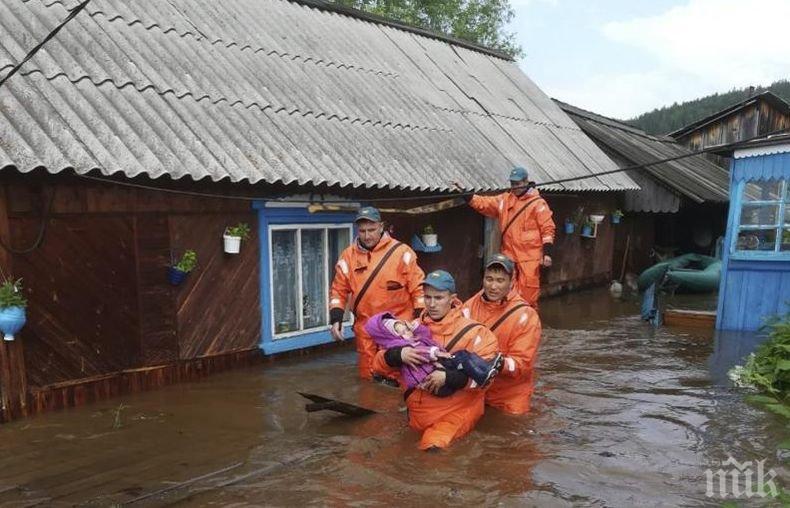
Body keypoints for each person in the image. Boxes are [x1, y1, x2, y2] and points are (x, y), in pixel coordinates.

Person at [372, 270, 499, 450]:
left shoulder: (476, 333)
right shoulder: (411, 328)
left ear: (452, 299)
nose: (431, 304)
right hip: (416, 413)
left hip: (455, 413)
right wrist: (397, 355)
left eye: (438, 298)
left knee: (432, 450)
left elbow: (486, 380)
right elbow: (377, 368)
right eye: (427, 297)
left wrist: (448, 377)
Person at [329, 206, 425, 381]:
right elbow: (338, 291)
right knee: (368, 377)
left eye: (371, 230)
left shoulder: (402, 253)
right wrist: (336, 320)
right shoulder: (348, 256)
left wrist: (419, 319)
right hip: (365, 329)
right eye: (363, 231)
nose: (367, 235)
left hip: (397, 328)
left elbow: (418, 288)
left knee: (399, 376)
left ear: (381, 227)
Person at [465, 166, 556, 307]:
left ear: (526, 181)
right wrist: (468, 196)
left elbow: (547, 229)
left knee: (528, 298)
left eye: (518, 183)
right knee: (505, 294)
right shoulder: (505, 200)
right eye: (512, 184)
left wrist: (547, 254)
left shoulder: (538, 204)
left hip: (529, 259)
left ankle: (527, 323)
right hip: (509, 256)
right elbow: (485, 203)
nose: (515, 187)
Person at [463, 254, 542, 415]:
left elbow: (523, 364)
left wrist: (497, 364)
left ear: (512, 282)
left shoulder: (525, 316)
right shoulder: (468, 307)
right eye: (489, 279)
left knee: (512, 432)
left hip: (510, 395)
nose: (493, 286)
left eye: (500, 280)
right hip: (474, 389)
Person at [365, 311, 503, 396]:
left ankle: (485, 372)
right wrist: (436, 353)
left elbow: (425, 335)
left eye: (402, 325)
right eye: (399, 330)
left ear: (451, 298)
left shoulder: (414, 332)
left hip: (438, 387)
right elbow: (421, 353)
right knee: (461, 357)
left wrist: (415, 328)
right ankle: (484, 373)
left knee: (461, 358)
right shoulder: (399, 345)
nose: (404, 330)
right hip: (431, 384)